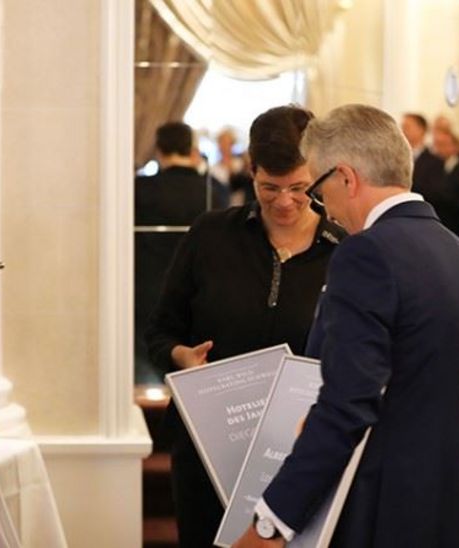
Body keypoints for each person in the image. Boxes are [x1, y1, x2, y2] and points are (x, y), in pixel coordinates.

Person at [234, 104, 459, 548]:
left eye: (318, 190)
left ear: (346, 178)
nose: (325, 209)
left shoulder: (366, 255)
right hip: (447, 506)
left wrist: (271, 523)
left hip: (380, 510)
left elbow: (347, 406)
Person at [145, 106, 345, 547]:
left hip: (301, 455)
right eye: (269, 187)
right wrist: (182, 357)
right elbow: (160, 331)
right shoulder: (210, 236)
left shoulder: (345, 252)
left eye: (299, 187)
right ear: (250, 171)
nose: (284, 201)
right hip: (207, 452)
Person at [134, 121, 228, 383]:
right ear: (191, 148)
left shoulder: (140, 190)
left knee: (149, 362)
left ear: (159, 150)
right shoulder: (213, 191)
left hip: (147, 288)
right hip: (199, 290)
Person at [400, 112, 444, 198]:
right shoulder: (397, 158)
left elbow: (435, 194)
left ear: (421, 129)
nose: (403, 131)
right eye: (402, 127)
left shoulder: (435, 162)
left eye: (407, 127)